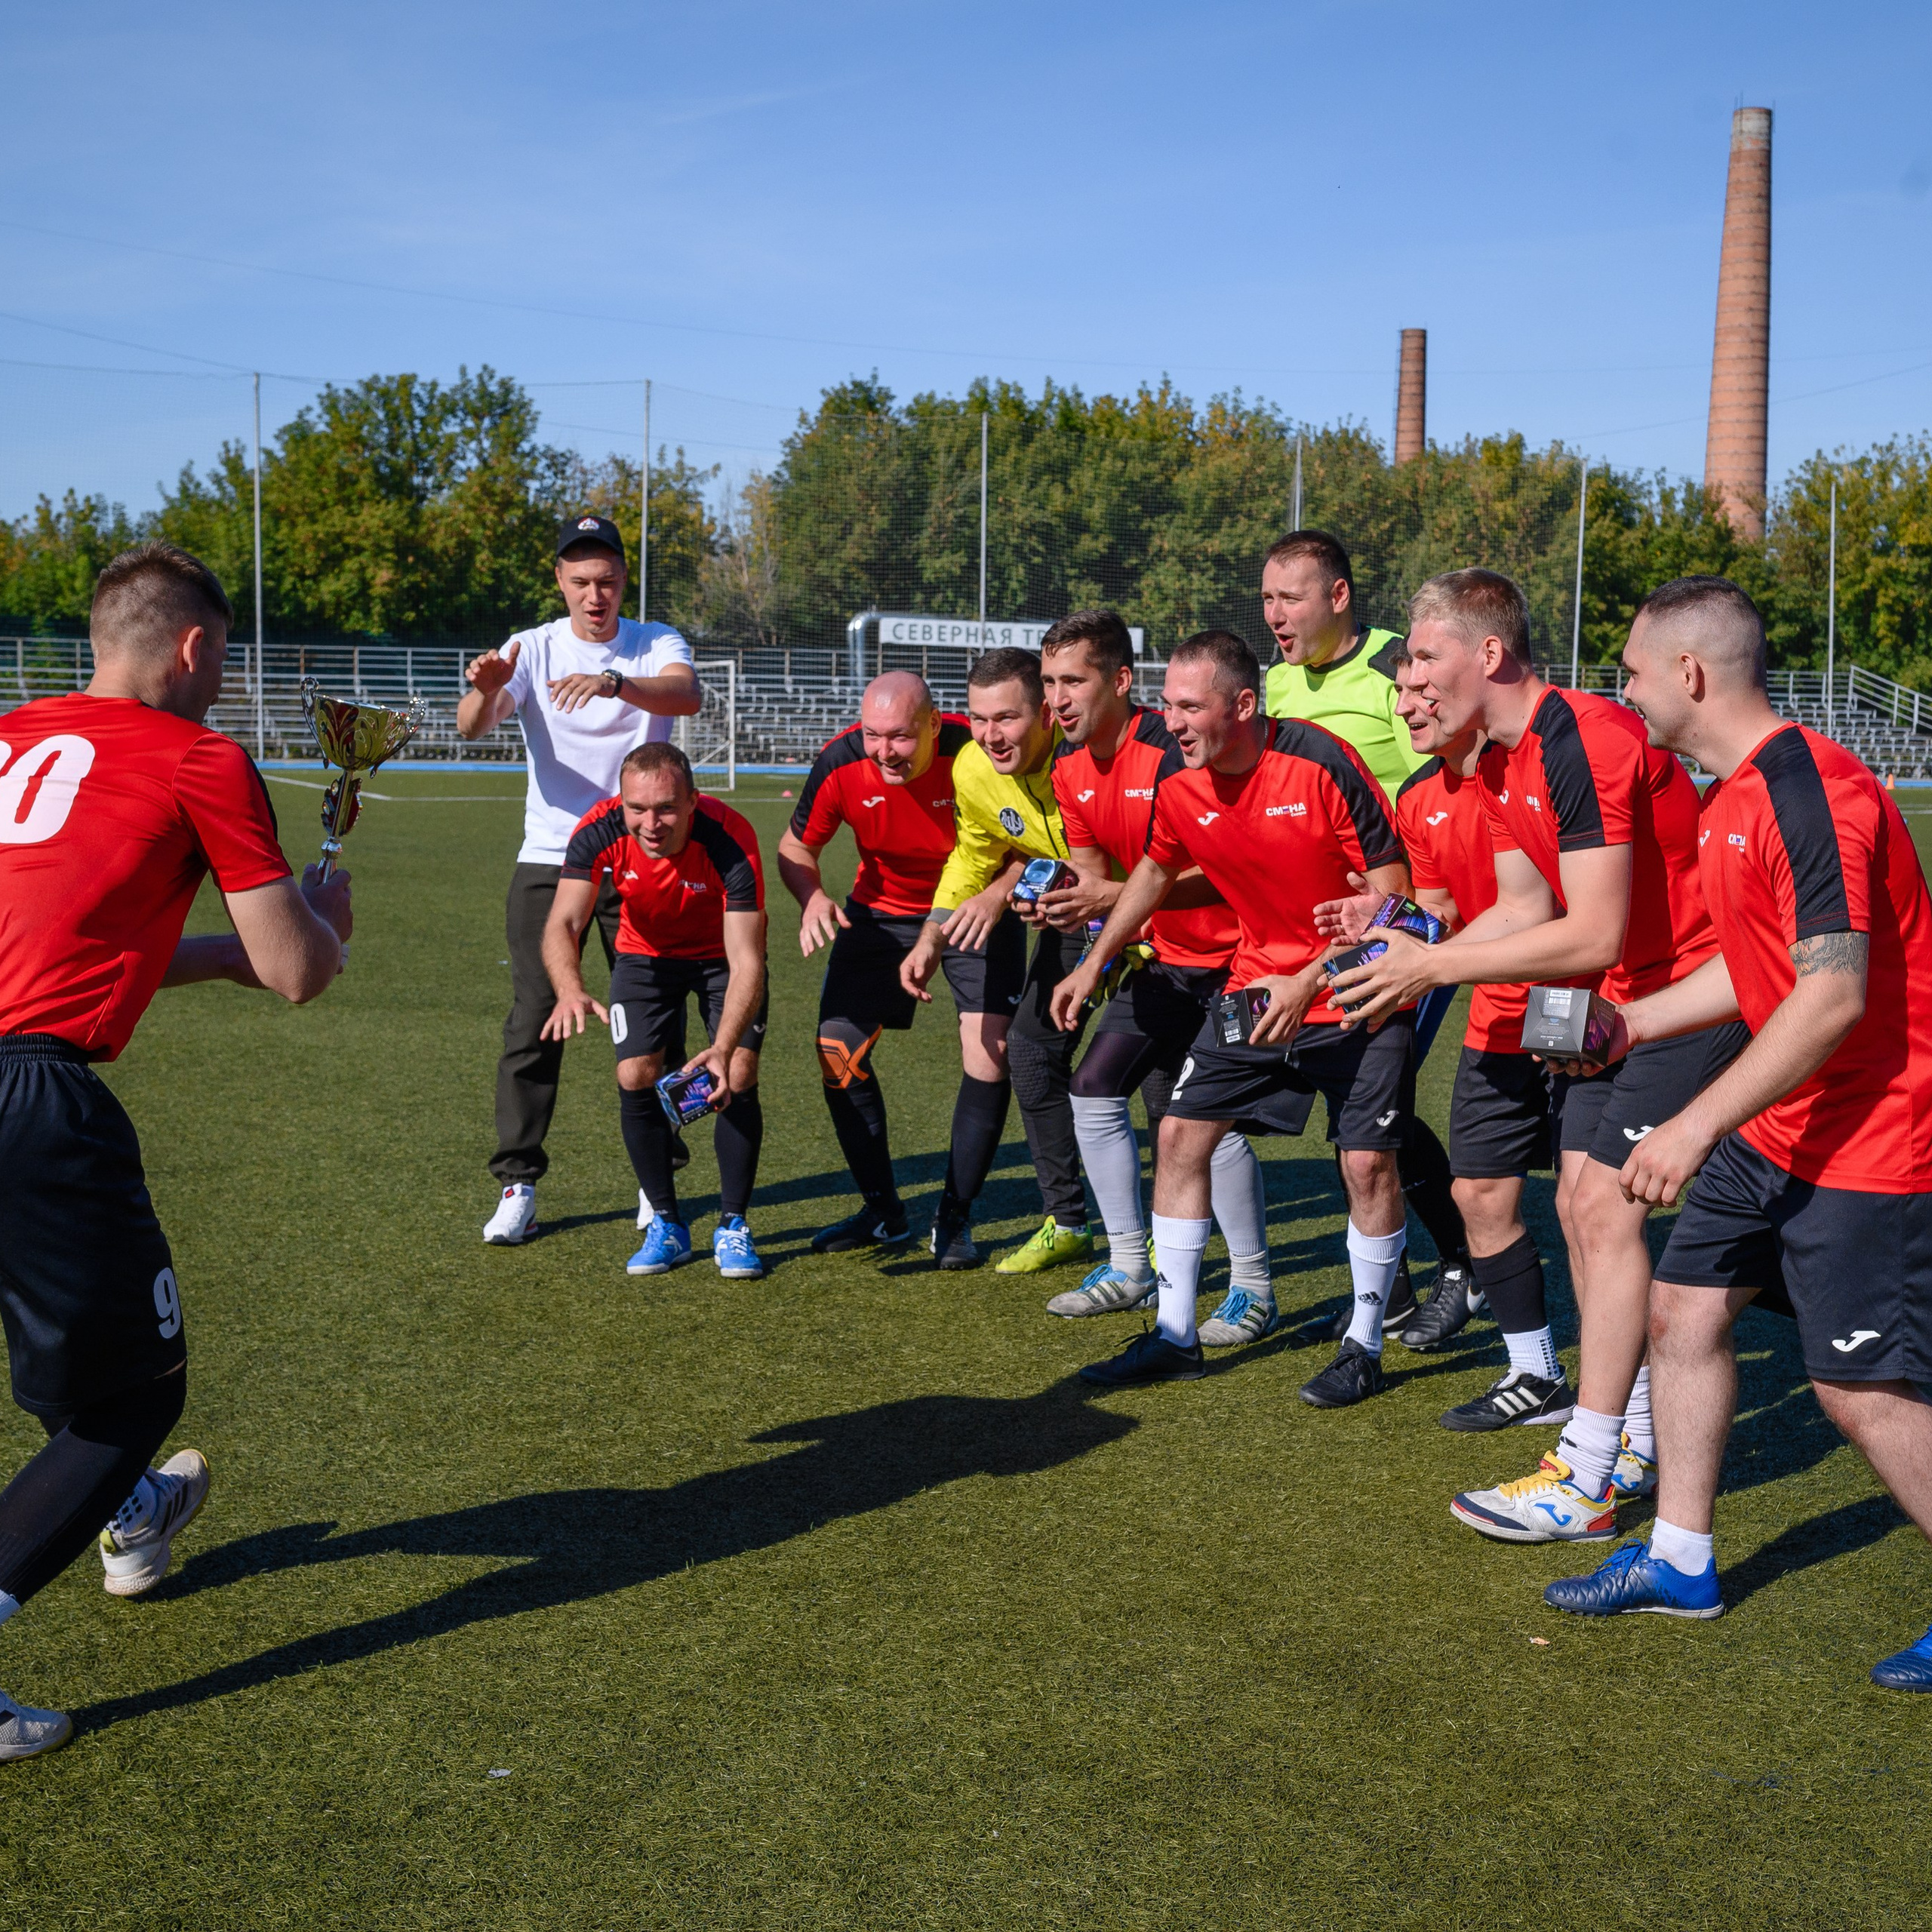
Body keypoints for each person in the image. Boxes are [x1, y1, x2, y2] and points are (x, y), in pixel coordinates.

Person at [1540, 578, 1932, 1689]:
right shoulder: (1731, 795)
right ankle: (1679, 1559)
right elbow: (1755, 968)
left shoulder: (1813, 792)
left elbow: (1831, 995)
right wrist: (1630, 1026)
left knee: (1863, 1394)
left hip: (1876, 1133)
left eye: (1629, 670)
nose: (1622, 690)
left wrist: (1696, 1122)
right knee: (1685, 1307)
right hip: (1787, 1121)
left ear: (1691, 675)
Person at [0, 542, 352, 1761]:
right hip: (29, 1101)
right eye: (224, 657)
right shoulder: (203, 757)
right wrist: (315, 930)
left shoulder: (11, 736)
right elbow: (300, 974)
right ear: (194, 649)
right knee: (138, 1395)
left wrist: (239, 952)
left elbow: (76, 936)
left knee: (63, 1368)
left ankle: (131, 1514)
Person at [1328, 569, 1748, 1540]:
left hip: (1695, 988)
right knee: (1578, 1205)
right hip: (1630, 998)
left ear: (1488, 654)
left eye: (1425, 657)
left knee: (1602, 1209)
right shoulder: (1501, 763)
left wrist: (1430, 963)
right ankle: (1628, 1436)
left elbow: (1592, 930)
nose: (1410, 680)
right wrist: (1419, 952)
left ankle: (1589, 1473)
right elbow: (1523, 908)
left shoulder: (1585, 738)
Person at [1053, 631, 1414, 1402]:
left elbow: (1401, 906)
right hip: (1255, 988)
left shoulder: (1322, 764)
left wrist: (1308, 976)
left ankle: (1363, 1343)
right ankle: (1176, 1335)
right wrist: (1092, 964)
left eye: (1189, 706)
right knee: (1181, 1135)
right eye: (1168, 703)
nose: (1170, 721)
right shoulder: (1179, 786)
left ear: (1242, 704)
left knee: (1364, 1165)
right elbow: (1151, 872)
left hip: (1358, 988)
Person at [1030, 611, 1281, 1344]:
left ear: (1119, 681)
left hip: (1241, 959)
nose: (1058, 700)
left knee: (1201, 1119)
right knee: (1092, 1085)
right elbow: (1095, 882)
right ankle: (1128, 1266)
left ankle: (1252, 1287)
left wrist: (1117, 901)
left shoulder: (1171, 750)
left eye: (1072, 680)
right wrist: (1088, 955)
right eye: (1048, 683)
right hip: (1164, 962)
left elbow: (1236, 864)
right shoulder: (1068, 769)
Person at [457, 514, 700, 1247]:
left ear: (624, 581)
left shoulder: (654, 642)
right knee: (534, 1016)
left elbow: (684, 696)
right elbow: (474, 724)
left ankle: (656, 1183)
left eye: (607, 580)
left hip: (643, 853)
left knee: (656, 1020)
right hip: (551, 853)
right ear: (559, 582)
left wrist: (614, 681)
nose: (595, 594)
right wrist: (486, 688)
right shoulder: (530, 648)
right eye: (580, 581)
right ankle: (518, 1183)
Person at [1261, 529, 1469, 1331]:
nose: (1275, 615)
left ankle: (1463, 1263)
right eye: (1268, 598)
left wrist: (1404, 896)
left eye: (1292, 598)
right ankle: (1405, 1283)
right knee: (1360, 1111)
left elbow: (1444, 756)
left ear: (1338, 597)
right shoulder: (1275, 684)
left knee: (1373, 1108)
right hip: (1322, 931)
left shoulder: (1394, 667)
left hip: (1410, 921)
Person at [1380, 651, 1573, 1428]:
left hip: (1572, 1003)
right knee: (1477, 1191)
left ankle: (1629, 1399)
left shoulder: (1528, 768)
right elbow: (1438, 913)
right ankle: (1535, 1372)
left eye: (1420, 692)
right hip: (1496, 1010)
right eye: (1398, 694)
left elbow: (1572, 905)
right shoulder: (1417, 794)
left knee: (1590, 1204)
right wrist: (1379, 930)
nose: (1406, 708)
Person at [777, 673, 1022, 1263]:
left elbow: (1034, 840)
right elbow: (794, 848)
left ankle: (954, 1220)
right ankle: (884, 1212)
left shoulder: (977, 748)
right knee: (836, 1052)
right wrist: (811, 896)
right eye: (873, 735)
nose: (884, 751)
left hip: (975, 909)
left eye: (901, 738)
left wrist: (999, 895)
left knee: (989, 1055)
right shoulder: (840, 762)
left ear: (935, 725)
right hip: (881, 916)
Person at [540, 743, 768, 1279]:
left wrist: (724, 1043)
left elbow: (747, 960)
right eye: (637, 808)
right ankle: (666, 1223)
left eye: (666, 808)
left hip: (721, 958)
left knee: (734, 1071)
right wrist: (570, 989)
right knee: (636, 1073)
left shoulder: (731, 839)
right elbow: (563, 923)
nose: (651, 822)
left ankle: (733, 1224)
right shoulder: (598, 830)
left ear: (693, 800)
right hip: (644, 953)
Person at [901, 648, 1095, 1275]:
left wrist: (1003, 894)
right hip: (1070, 917)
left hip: (1147, 918)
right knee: (1031, 1054)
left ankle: (1170, 1230)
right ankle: (1066, 1222)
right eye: (980, 719)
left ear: (1045, 712)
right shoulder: (972, 768)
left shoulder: (1090, 757)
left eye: (1006, 719)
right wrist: (934, 933)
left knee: (1152, 1075)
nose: (990, 735)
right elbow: (973, 852)